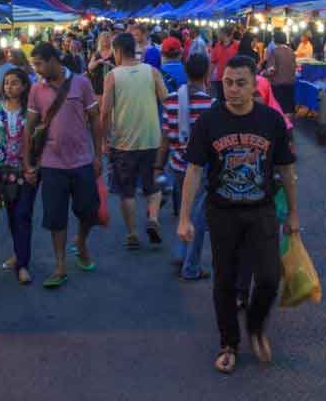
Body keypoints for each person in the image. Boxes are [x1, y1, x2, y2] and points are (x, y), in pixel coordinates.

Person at [178, 55, 298, 373]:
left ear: (254, 84)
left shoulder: (270, 121)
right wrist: (184, 217)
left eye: (240, 83)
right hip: (223, 213)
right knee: (225, 282)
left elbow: (286, 169)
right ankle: (229, 343)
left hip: (262, 210)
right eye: (228, 83)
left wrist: (294, 214)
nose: (233, 89)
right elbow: (193, 170)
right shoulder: (209, 122)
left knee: (270, 277)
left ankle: (256, 327)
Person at [24, 43, 102, 288]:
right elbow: (29, 128)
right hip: (51, 163)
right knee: (56, 217)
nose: (35, 69)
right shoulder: (36, 90)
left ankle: (80, 242)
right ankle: (60, 265)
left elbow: (95, 120)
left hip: (81, 160)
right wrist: (28, 162)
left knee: (89, 210)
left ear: (52, 60)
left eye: (38, 64)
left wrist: (98, 155)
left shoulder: (82, 83)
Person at [101, 32, 169, 249]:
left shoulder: (113, 76)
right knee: (152, 184)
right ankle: (153, 219)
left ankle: (132, 234)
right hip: (151, 137)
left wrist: (104, 139)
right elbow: (166, 100)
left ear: (118, 51)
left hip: (123, 142)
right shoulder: (152, 71)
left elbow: (105, 112)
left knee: (127, 190)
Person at [158, 53, 214, 278]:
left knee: (184, 210)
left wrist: (158, 166)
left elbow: (165, 137)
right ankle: (190, 267)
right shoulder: (211, 104)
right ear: (207, 73)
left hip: (177, 165)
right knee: (197, 218)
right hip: (200, 170)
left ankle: (180, 252)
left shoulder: (170, 100)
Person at [0, 68, 37, 285]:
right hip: (3, 168)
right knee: (10, 214)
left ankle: (23, 264)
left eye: (15, 83)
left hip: (26, 169)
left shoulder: (31, 111)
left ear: (24, 85)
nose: (9, 87)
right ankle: (19, 253)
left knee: (23, 214)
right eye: (7, 83)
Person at [263, 30, 296, 115]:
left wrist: (263, 73)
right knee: (288, 110)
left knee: (278, 110)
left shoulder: (275, 51)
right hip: (290, 84)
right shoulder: (291, 51)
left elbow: (271, 70)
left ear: (275, 40)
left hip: (278, 85)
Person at [209, 26, 239, 101]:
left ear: (224, 34)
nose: (217, 35)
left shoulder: (237, 45)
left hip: (233, 79)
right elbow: (212, 63)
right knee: (221, 101)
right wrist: (208, 77)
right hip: (220, 79)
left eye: (219, 33)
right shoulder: (217, 45)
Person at [87, 31, 116, 96]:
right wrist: (98, 62)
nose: (105, 40)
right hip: (98, 83)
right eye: (103, 39)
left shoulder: (114, 52)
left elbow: (120, 68)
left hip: (112, 82)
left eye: (107, 38)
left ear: (110, 40)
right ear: (100, 41)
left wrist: (110, 65)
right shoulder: (97, 53)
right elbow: (89, 67)